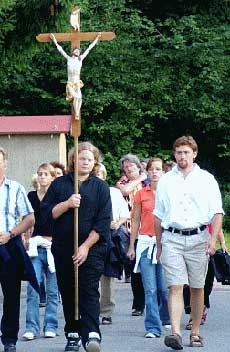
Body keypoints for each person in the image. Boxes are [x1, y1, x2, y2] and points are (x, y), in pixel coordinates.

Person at [41, 142, 112, 352]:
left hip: (92, 248)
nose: (86, 162)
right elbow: (47, 214)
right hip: (63, 248)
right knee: (68, 290)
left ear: (95, 162)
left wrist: (85, 247)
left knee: (89, 289)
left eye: (90, 159)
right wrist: (67, 204)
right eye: (82, 158)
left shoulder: (100, 187)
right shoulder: (60, 185)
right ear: (74, 159)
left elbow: (103, 220)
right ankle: (72, 333)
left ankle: (92, 334)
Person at [154, 136, 224, 349]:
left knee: (196, 286)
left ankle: (195, 332)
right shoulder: (166, 180)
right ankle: (175, 333)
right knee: (174, 285)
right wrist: (159, 245)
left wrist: (213, 240)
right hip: (172, 237)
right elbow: (158, 215)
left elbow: (217, 212)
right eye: (178, 152)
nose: (182, 156)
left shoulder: (206, 179)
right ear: (174, 155)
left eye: (186, 152)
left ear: (194, 154)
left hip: (198, 237)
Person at [0, 147, 39, 352]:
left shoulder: (15, 188)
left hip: (8, 245)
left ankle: (9, 339)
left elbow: (30, 218)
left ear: (5, 163)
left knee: (11, 295)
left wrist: (11, 234)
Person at [127, 158, 170, 338]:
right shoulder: (141, 194)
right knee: (150, 288)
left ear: (163, 172)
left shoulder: (169, 193)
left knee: (164, 288)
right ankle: (152, 327)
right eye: (151, 169)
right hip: (146, 243)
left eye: (158, 169)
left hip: (166, 243)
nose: (154, 172)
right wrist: (131, 245)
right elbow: (135, 220)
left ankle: (166, 317)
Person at [23, 163, 59, 341]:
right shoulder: (30, 196)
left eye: (46, 174)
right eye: (39, 174)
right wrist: (25, 237)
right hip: (35, 247)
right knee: (33, 287)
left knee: (53, 290)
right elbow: (26, 218)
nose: (42, 177)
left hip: (53, 247)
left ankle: (51, 325)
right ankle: (31, 327)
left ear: (53, 177)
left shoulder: (58, 197)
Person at [94, 163, 130, 325]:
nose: (97, 176)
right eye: (95, 174)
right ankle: (90, 309)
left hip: (110, 235)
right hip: (91, 235)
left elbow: (125, 214)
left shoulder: (114, 192)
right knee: (90, 275)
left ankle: (106, 311)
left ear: (105, 175)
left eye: (100, 174)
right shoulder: (85, 192)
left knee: (107, 275)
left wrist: (116, 223)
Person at [116, 154, 146, 316]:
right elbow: (125, 190)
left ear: (138, 166)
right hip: (130, 229)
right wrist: (140, 177)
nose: (128, 169)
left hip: (148, 228)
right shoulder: (123, 182)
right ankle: (138, 304)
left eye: (131, 166)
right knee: (135, 267)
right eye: (126, 167)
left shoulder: (148, 183)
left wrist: (143, 178)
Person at [50, 32, 101, 119]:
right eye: (75, 50)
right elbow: (60, 49)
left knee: (79, 98)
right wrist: (54, 40)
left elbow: (89, 49)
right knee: (76, 97)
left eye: (78, 51)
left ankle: (77, 113)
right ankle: (77, 113)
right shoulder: (69, 59)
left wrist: (97, 39)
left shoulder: (80, 59)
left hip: (77, 82)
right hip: (70, 83)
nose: (77, 51)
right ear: (73, 51)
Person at [184, 228, 227, 330]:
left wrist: (222, 242)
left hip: (208, 251)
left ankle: (201, 309)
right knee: (188, 284)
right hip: (190, 249)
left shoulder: (210, 213)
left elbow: (218, 227)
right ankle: (193, 316)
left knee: (206, 284)